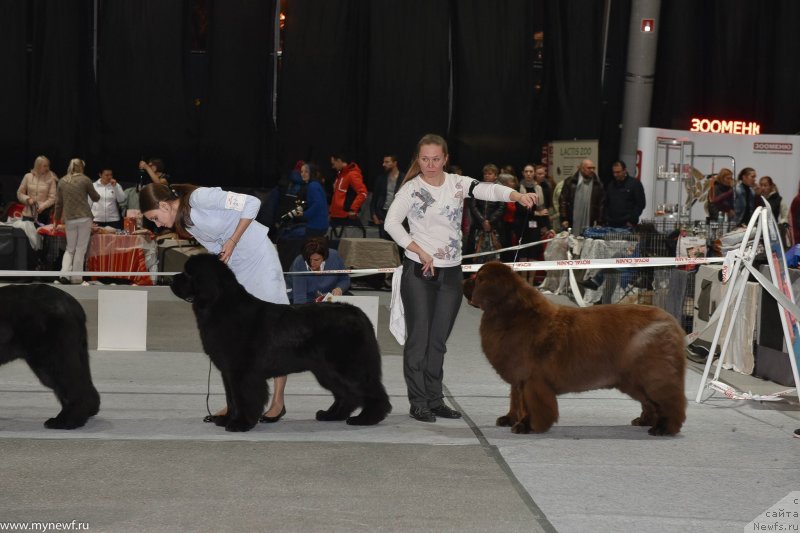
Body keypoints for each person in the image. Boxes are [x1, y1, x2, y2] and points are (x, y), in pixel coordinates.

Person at [383, 133, 538, 423]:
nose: (430, 164)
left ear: (445, 159)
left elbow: (488, 190)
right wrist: (418, 250)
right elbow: (391, 223)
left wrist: (517, 196)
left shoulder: (458, 183)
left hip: (451, 273)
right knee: (419, 340)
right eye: (425, 159)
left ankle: (435, 399)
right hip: (419, 271)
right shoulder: (411, 189)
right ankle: (419, 402)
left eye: (436, 159)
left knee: (438, 341)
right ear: (418, 159)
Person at [139, 183, 289, 423]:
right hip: (235, 265)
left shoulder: (200, 198)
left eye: (155, 218)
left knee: (274, 327)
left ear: (165, 205)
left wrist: (232, 240)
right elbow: (217, 248)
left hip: (259, 257)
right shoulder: (186, 223)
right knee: (236, 336)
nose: (157, 224)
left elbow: (252, 204)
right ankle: (237, 401)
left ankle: (278, 401)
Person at [53, 159, 100, 285]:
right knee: (80, 249)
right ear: (82, 167)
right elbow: (95, 197)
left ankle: (64, 274)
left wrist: (56, 221)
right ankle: (76, 278)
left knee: (70, 248)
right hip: (84, 217)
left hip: (69, 219)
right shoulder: (85, 180)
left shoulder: (62, 181)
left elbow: (58, 203)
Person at [287, 237, 350, 303]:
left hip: (329, 297)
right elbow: (299, 298)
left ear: (324, 257)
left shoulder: (334, 257)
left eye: (316, 260)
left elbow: (345, 279)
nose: (312, 263)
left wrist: (339, 288)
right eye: (309, 259)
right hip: (306, 299)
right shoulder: (299, 262)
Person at [466, 164, 506, 262]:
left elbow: (502, 207)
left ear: (495, 176)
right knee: (477, 255)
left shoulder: (501, 189)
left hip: (495, 227)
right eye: (485, 174)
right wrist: (483, 221)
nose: (487, 176)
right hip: (479, 226)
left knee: (495, 255)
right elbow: (473, 206)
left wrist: (490, 221)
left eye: (490, 173)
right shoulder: (477, 187)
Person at [559, 159, 605, 236]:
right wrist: (564, 218)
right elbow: (563, 201)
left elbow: (601, 204)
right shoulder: (570, 182)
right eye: (589, 168)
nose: (592, 170)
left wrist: (599, 222)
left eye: (593, 168)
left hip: (590, 220)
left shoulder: (598, 184)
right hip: (571, 220)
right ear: (582, 168)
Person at [329, 152, 368, 237]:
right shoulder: (341, 174)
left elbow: (363, 192)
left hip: (345, 218)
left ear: (339, 161)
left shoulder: (352, 174)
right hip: (337, 217)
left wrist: (353, 209)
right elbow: (338, 196)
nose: (333, 166)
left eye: (333, 163)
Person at [17, 155, 58, 225]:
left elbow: (53, 198)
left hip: (43, 215)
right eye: (44, 166)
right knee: (26, 232)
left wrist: (42, 206)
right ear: (38, 166)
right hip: (28, 214)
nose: (47, 168)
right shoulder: (27, 176)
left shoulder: (51, 178)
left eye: (48, 165)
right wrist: (27, 199)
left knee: (40, 232)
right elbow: (19, 193)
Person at [605, 160, 646, 228]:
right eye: (614, 172)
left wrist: (632, 221)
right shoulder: (611, 185)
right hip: (611, 224)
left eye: (618, 172)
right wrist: (607, 218)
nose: (615, 175)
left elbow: (640, 204)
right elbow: (606, 203)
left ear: (625, 170)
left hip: (627, 225)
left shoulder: (635, 184)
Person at [369, 155, 401, 239]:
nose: (384, 164)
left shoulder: (403, 179)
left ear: (394, 163)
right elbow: (374, 198)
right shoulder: (381, 179)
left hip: (398, 216)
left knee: (398, 241)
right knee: (384, 241)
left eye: (387, 162)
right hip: (383, 214)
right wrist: (374, 215)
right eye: (384, 162)